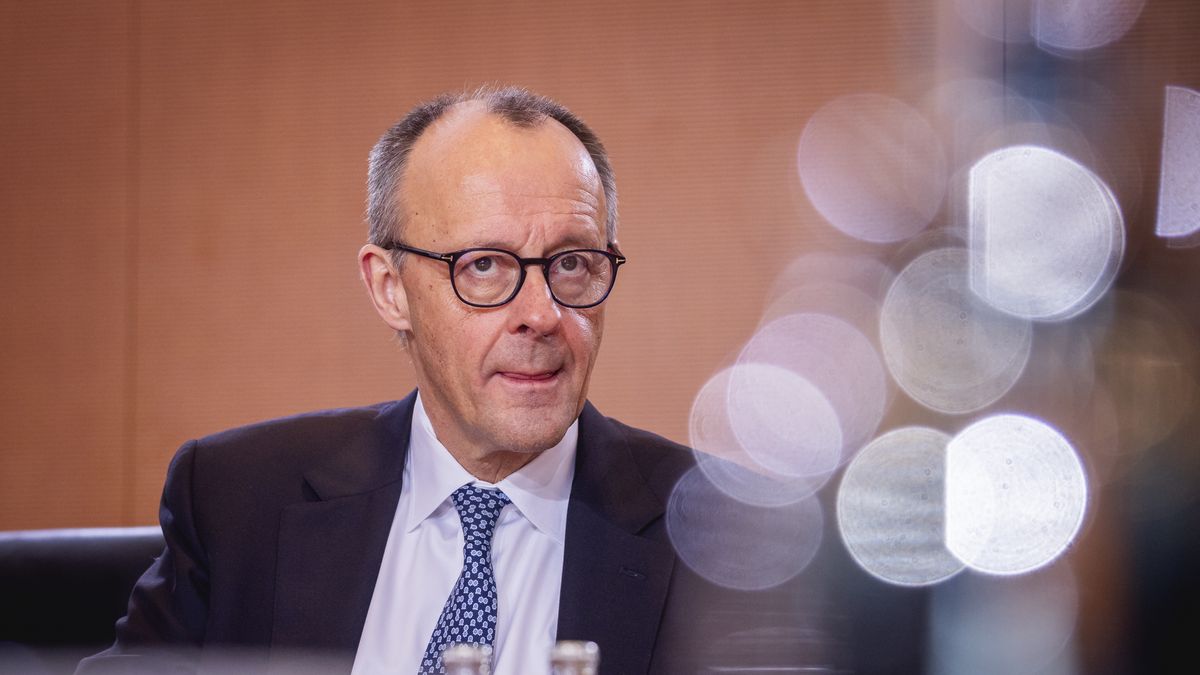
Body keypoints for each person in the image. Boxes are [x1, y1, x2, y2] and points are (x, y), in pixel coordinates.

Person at [76, 87, 817, 675]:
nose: (542, 313)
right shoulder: (239, 501)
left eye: (572, 263)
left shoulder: (723, 540)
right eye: (484, 266)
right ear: (390, 288)